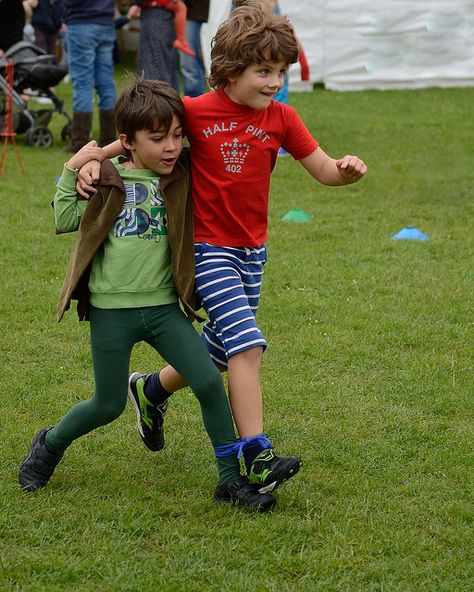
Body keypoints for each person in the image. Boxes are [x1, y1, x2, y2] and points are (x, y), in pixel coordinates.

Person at [77, 0, 368, 495]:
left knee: (218, 351)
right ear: (229, 71)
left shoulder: (282, 118)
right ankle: (255, 454)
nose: (274, 81)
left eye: (280, 71)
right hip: (208, 250)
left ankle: (150, 390)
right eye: (263, 70)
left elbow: (321, 169)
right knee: (247, 346)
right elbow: (141, 136)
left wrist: (342, 170)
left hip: (254, 252)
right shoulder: (195, 111)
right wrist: (90, 160)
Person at [18, 78, 276, 512]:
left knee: (210, 383)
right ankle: (50, 442)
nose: (171, 146)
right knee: (108, 404)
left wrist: (115, 148)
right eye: (157, 139)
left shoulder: (185, 174)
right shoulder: (105, 181)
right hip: (111, 314)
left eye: (177, 135)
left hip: (162, 311)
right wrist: (83, 162)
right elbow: (64, 217)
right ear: (129, 142)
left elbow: (217, 142)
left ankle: (230, 482)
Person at [62, 0, 117, 152]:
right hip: (106, 23)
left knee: (82, 83)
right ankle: (109, 139)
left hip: (82, 22)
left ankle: (80, 141)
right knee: (106, 83)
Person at [179, 0, 209, 97]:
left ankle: (194, 101)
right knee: (190, 64)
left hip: (196, 15)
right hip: (190, 14)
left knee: (190, 64)